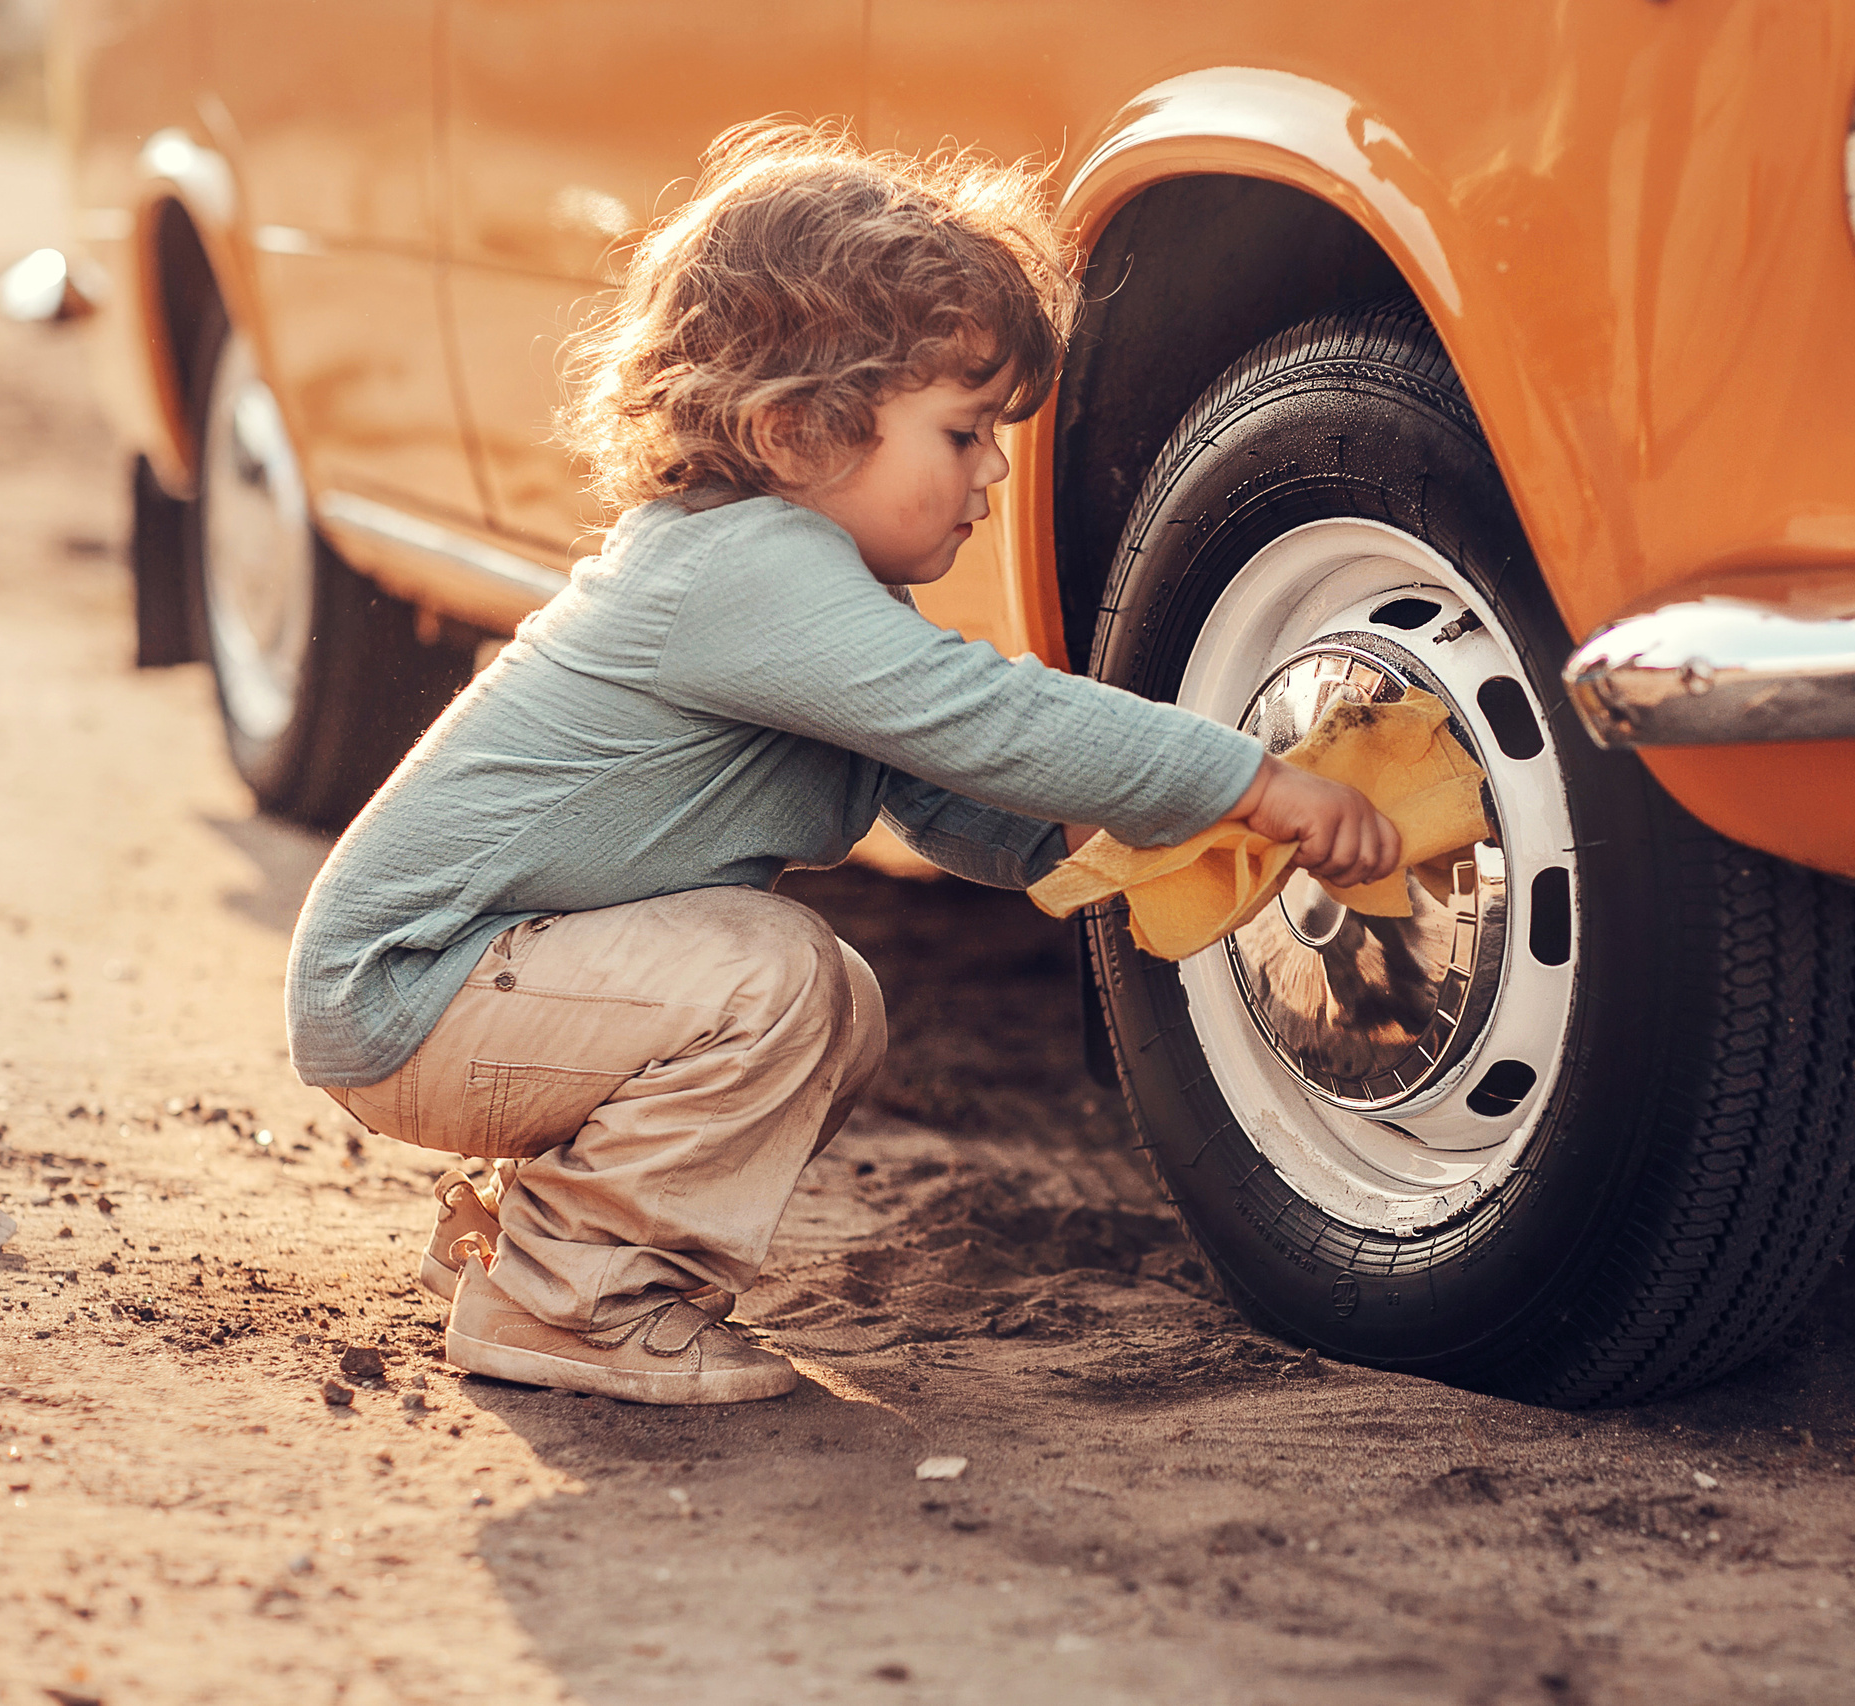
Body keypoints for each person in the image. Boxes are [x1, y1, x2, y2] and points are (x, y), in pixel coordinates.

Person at [282, 121, 1400, 1405]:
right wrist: (1253, 782)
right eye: (963, 430)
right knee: (779, 981)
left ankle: (538, 1236)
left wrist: (1121, 850)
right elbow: (993, 718)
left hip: (473, 977)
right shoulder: (749, 574)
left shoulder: (794, 592)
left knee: (832, 1000)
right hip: (410, 988)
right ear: (806, 425)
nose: (991, 469)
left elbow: (952, 795)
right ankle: (567, 1300)